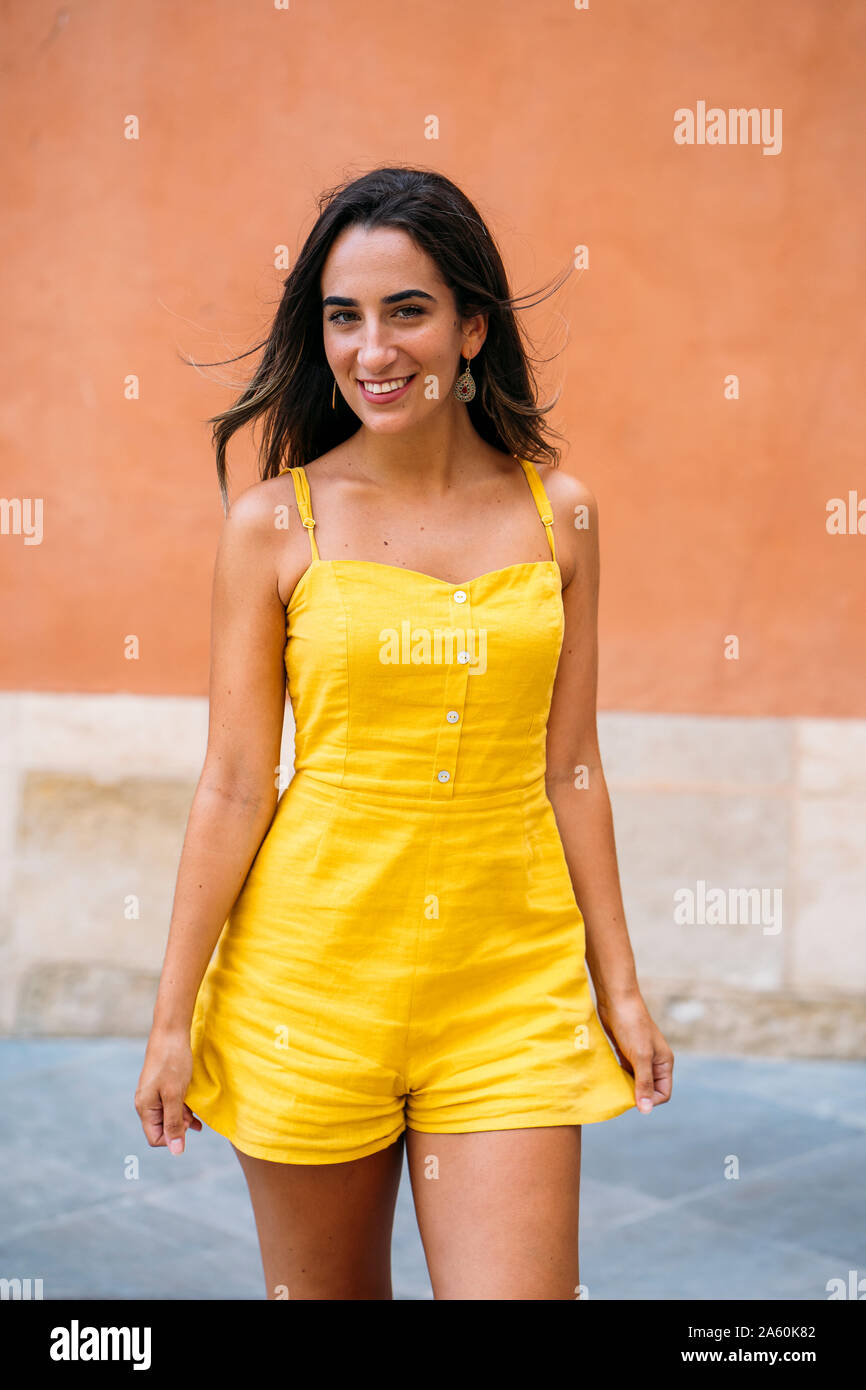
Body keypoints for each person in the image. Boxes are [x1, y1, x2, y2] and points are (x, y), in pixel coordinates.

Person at [135, 165, 674, 1300]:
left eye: (407, 310)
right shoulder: (273, 523)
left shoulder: (557, 513)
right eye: (343, 316)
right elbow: (235, 780)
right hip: (309, 983)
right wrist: (170, 1017)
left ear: (472, 327)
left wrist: (616, 983)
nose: (372, 349)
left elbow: (570, 765)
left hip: (508, 985)